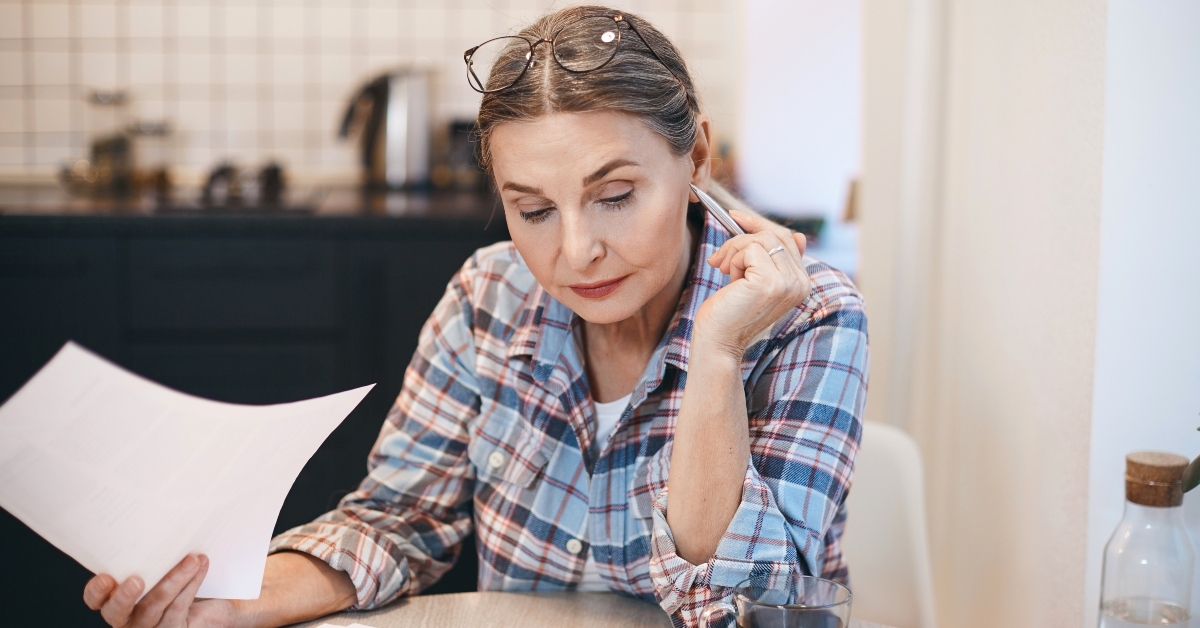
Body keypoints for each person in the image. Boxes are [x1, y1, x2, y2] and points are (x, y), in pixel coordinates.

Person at [82, 6, 868, 627]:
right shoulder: (486, 297)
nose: (576, 251)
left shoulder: (811, 321)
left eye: (616, 196)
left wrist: (717, 355)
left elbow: (729, 606)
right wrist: (232, 601)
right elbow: (399, 521)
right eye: (531, 209)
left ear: (697, 157)